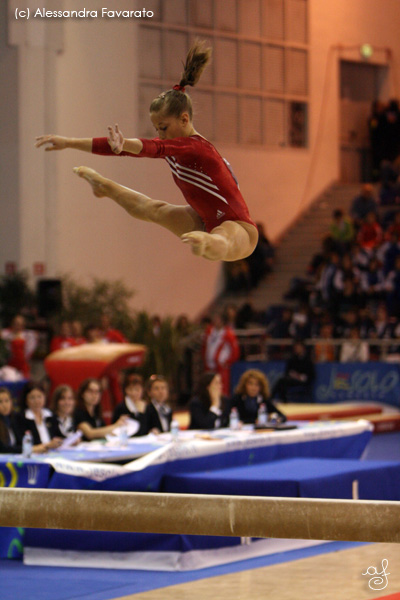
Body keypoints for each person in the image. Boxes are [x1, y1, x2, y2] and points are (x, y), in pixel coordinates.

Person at [35, 40, 258, 262]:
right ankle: (104, 187)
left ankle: (207, 244)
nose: (160, 134)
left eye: (163, 127)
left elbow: (155, 148)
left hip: (240, 229)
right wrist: (69, 141)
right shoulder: (175, 144)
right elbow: (124, 149)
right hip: (202, 219)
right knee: (153, 209)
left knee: (224, 235)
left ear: (184, 119)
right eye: (156, 129)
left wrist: (209, 239)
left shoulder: (197, 147)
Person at [18, 382, 63, 452]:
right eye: (32, 398)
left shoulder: (50, 415)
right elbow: (22, 443)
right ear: (26, 400)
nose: (37, 401)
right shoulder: (21, 418)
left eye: (39, 397)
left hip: (52, 453)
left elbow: (59, 436)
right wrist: (47, 445)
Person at [203, 312, 240, 395]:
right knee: (208, 388)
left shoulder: (228, 334)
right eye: (215, 319)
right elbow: (204, 347)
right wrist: (204, 360)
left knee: (222, 388)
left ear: (223, 321)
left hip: (221, 366)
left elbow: (235, 352)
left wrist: (227, 362)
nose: (215, 321)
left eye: (218, 319)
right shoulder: (209, 331)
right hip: (209, 365)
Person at [0, 387, 23, 453]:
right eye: (0, 402)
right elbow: (3, 449)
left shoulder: (14, 419)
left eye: (7, 401)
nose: (4, 405)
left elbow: (19, 443)